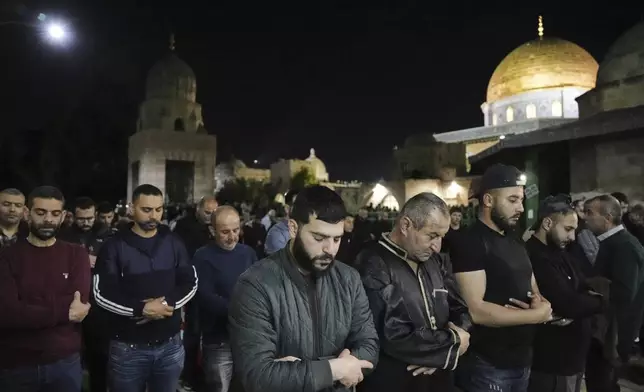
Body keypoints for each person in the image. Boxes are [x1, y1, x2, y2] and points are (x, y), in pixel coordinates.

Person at [229, 185, 379, 392]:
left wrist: (297, 370)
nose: (330, 249)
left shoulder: (349, 279)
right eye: (319, 238)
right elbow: (257, 375)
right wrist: (334, 369)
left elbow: (369, 345)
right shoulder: (255, 284)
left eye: (337, 239)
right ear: (293, 228)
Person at [451, 164, 552, 392]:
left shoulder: (514, 240)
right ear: (488, 200)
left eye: (521, 200)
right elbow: (476, 310)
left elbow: (533, 286)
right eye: (513, 200)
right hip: (487, 364)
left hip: (522, 359)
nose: (520, 207)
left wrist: (541, 303)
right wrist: (537, 315)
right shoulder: (471, 242)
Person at [357, 192, 471, 392]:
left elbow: (460, 309)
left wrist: (444, 348)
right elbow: (392, 333)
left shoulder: (435, 261)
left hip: (440, 381)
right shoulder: (372, 262)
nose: (437, 247)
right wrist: (450, 344)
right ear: (405, 225)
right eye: (432, 235)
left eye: (442, 237)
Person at [92, 184, 198, 392]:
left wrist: (166, 304)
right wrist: (141, 309)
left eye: (158, 210)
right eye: (146, 210)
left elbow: (190, 280)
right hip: (127, 349)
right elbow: (102, 293)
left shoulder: (173, 242)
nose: (153, 216)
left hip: (170, 346)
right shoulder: (114, 246)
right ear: (132, 209)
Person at [0, 185, 91, 391]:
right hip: (16, 364)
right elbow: (7, 314)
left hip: (64, 362)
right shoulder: (7, 257)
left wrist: (28, 307)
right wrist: (62, 310)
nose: (48, 219)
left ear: (63, 216)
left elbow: (79, 304)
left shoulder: (76, 254)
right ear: (27, 213)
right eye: (41, 213)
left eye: (55, 214)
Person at [525, 195, 606, 392]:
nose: (572, 237)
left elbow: (584, 287)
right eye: (568, 229)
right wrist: (602, 302)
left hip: (574, 357)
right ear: (547, 223)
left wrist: (588, 299)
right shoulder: (534, 256)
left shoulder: (561, 252)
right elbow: (568, 303)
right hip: (553, 361)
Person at [583, 194, 644, 391]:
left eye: (590, 213)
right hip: (606, 332)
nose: (585, 218)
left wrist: (591, 289)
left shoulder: (624, 246)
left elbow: (625, 294)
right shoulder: (612, 242)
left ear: (607, 217)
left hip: (613, 337)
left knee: (603, 384)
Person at [195, 206, 257, 392]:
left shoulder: (248, 253)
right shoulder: (202, 257)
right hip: (218, 340)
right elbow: (204, 296)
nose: (232, 237)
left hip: (248, 340)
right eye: (225, 232)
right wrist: (241, 310)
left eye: (236, 230)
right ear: (212, 230)